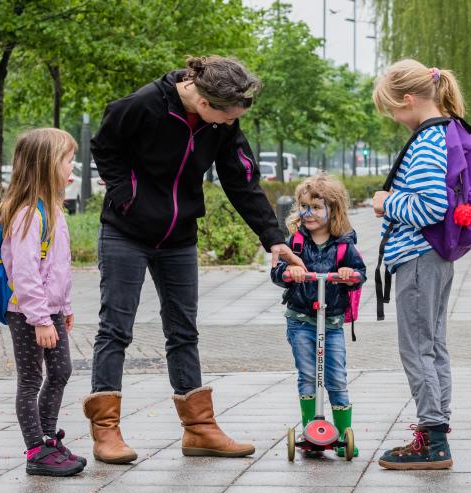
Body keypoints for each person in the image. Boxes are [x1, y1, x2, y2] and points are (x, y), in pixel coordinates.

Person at [83, 55, 305, 463]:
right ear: (205, 103)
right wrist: (127, 194)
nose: (226, 126)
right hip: (125, 231)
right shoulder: (143, 105)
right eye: (224, 119)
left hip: (179, 236)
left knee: (183, 330)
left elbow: (241, 179)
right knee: (116, 328)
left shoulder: (222, 121)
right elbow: (104, 147)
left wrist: (273, 237)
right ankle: (106, 431)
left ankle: (199, 429)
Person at [371, 59, 467, 470]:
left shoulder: (427, 142)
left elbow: (431, 205)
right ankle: (436, 431)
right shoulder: (449, 130)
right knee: (433, 347)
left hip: (417, 257)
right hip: (434, 258)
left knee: (416, 350)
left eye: (392, 109)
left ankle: (432, 441)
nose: (393, 118)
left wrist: (384, 202)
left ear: (408, 100)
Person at [0, 128, 84, 476]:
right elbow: (25, 275)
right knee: (30, 379)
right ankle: (35, 451)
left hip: (50, 309)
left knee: (61, 371)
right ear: (45, 165)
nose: (72, 168)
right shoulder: (29, 215)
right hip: (27, 312)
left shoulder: (52, 209)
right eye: (67, 160)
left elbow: (59, 267)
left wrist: (65, 307)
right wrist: (41, 319)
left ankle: (47, 438)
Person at [271, 174, 366, 458]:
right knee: (308, 376)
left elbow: (359, 273)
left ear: (333, 210)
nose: (308, 212)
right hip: (300, 320)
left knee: (336, 377)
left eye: (315, 206)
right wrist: (291, 272)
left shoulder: (344, 245)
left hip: (333, 322)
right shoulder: (295, 243)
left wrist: (349, 275)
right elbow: (277, 273)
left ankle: (342, 434)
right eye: (303, 206)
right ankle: (311, 431)